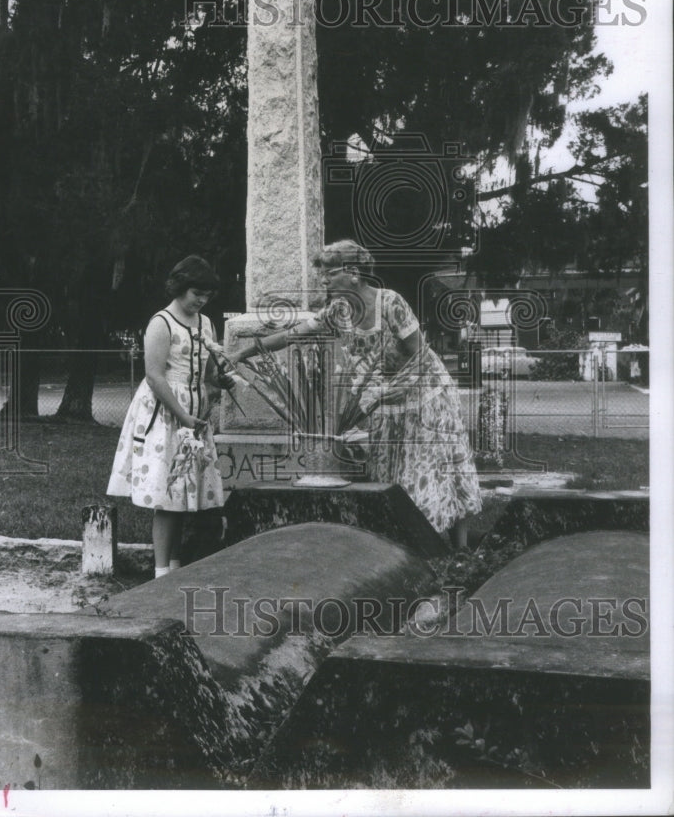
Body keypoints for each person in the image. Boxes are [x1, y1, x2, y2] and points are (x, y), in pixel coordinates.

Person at [226, 240, 481, 545]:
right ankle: (413, 549)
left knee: (435, 466)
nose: (324, 279)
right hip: (384, 403)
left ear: (354, 273)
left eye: (330, 272)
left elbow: (419, 355)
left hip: (426, 395)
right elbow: (292, 336)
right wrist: (244, 353)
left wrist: (385, 391)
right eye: (322, 273)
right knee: (391, 474)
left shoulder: (390, 303)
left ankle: (460, 551)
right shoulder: (338, 311)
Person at [107, 256, 226, 576]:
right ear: (180, 287)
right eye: (196, 294)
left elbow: (209, 371)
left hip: (194, 416)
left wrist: (220, 379)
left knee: (184, 496)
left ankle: (175, 566)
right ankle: (161, 572)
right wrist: (183, 416)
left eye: (207, 296)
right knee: (167, 495)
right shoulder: (162, 322)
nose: (201, 301)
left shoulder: (206, 323)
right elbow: (155, 376)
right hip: (165, 415)